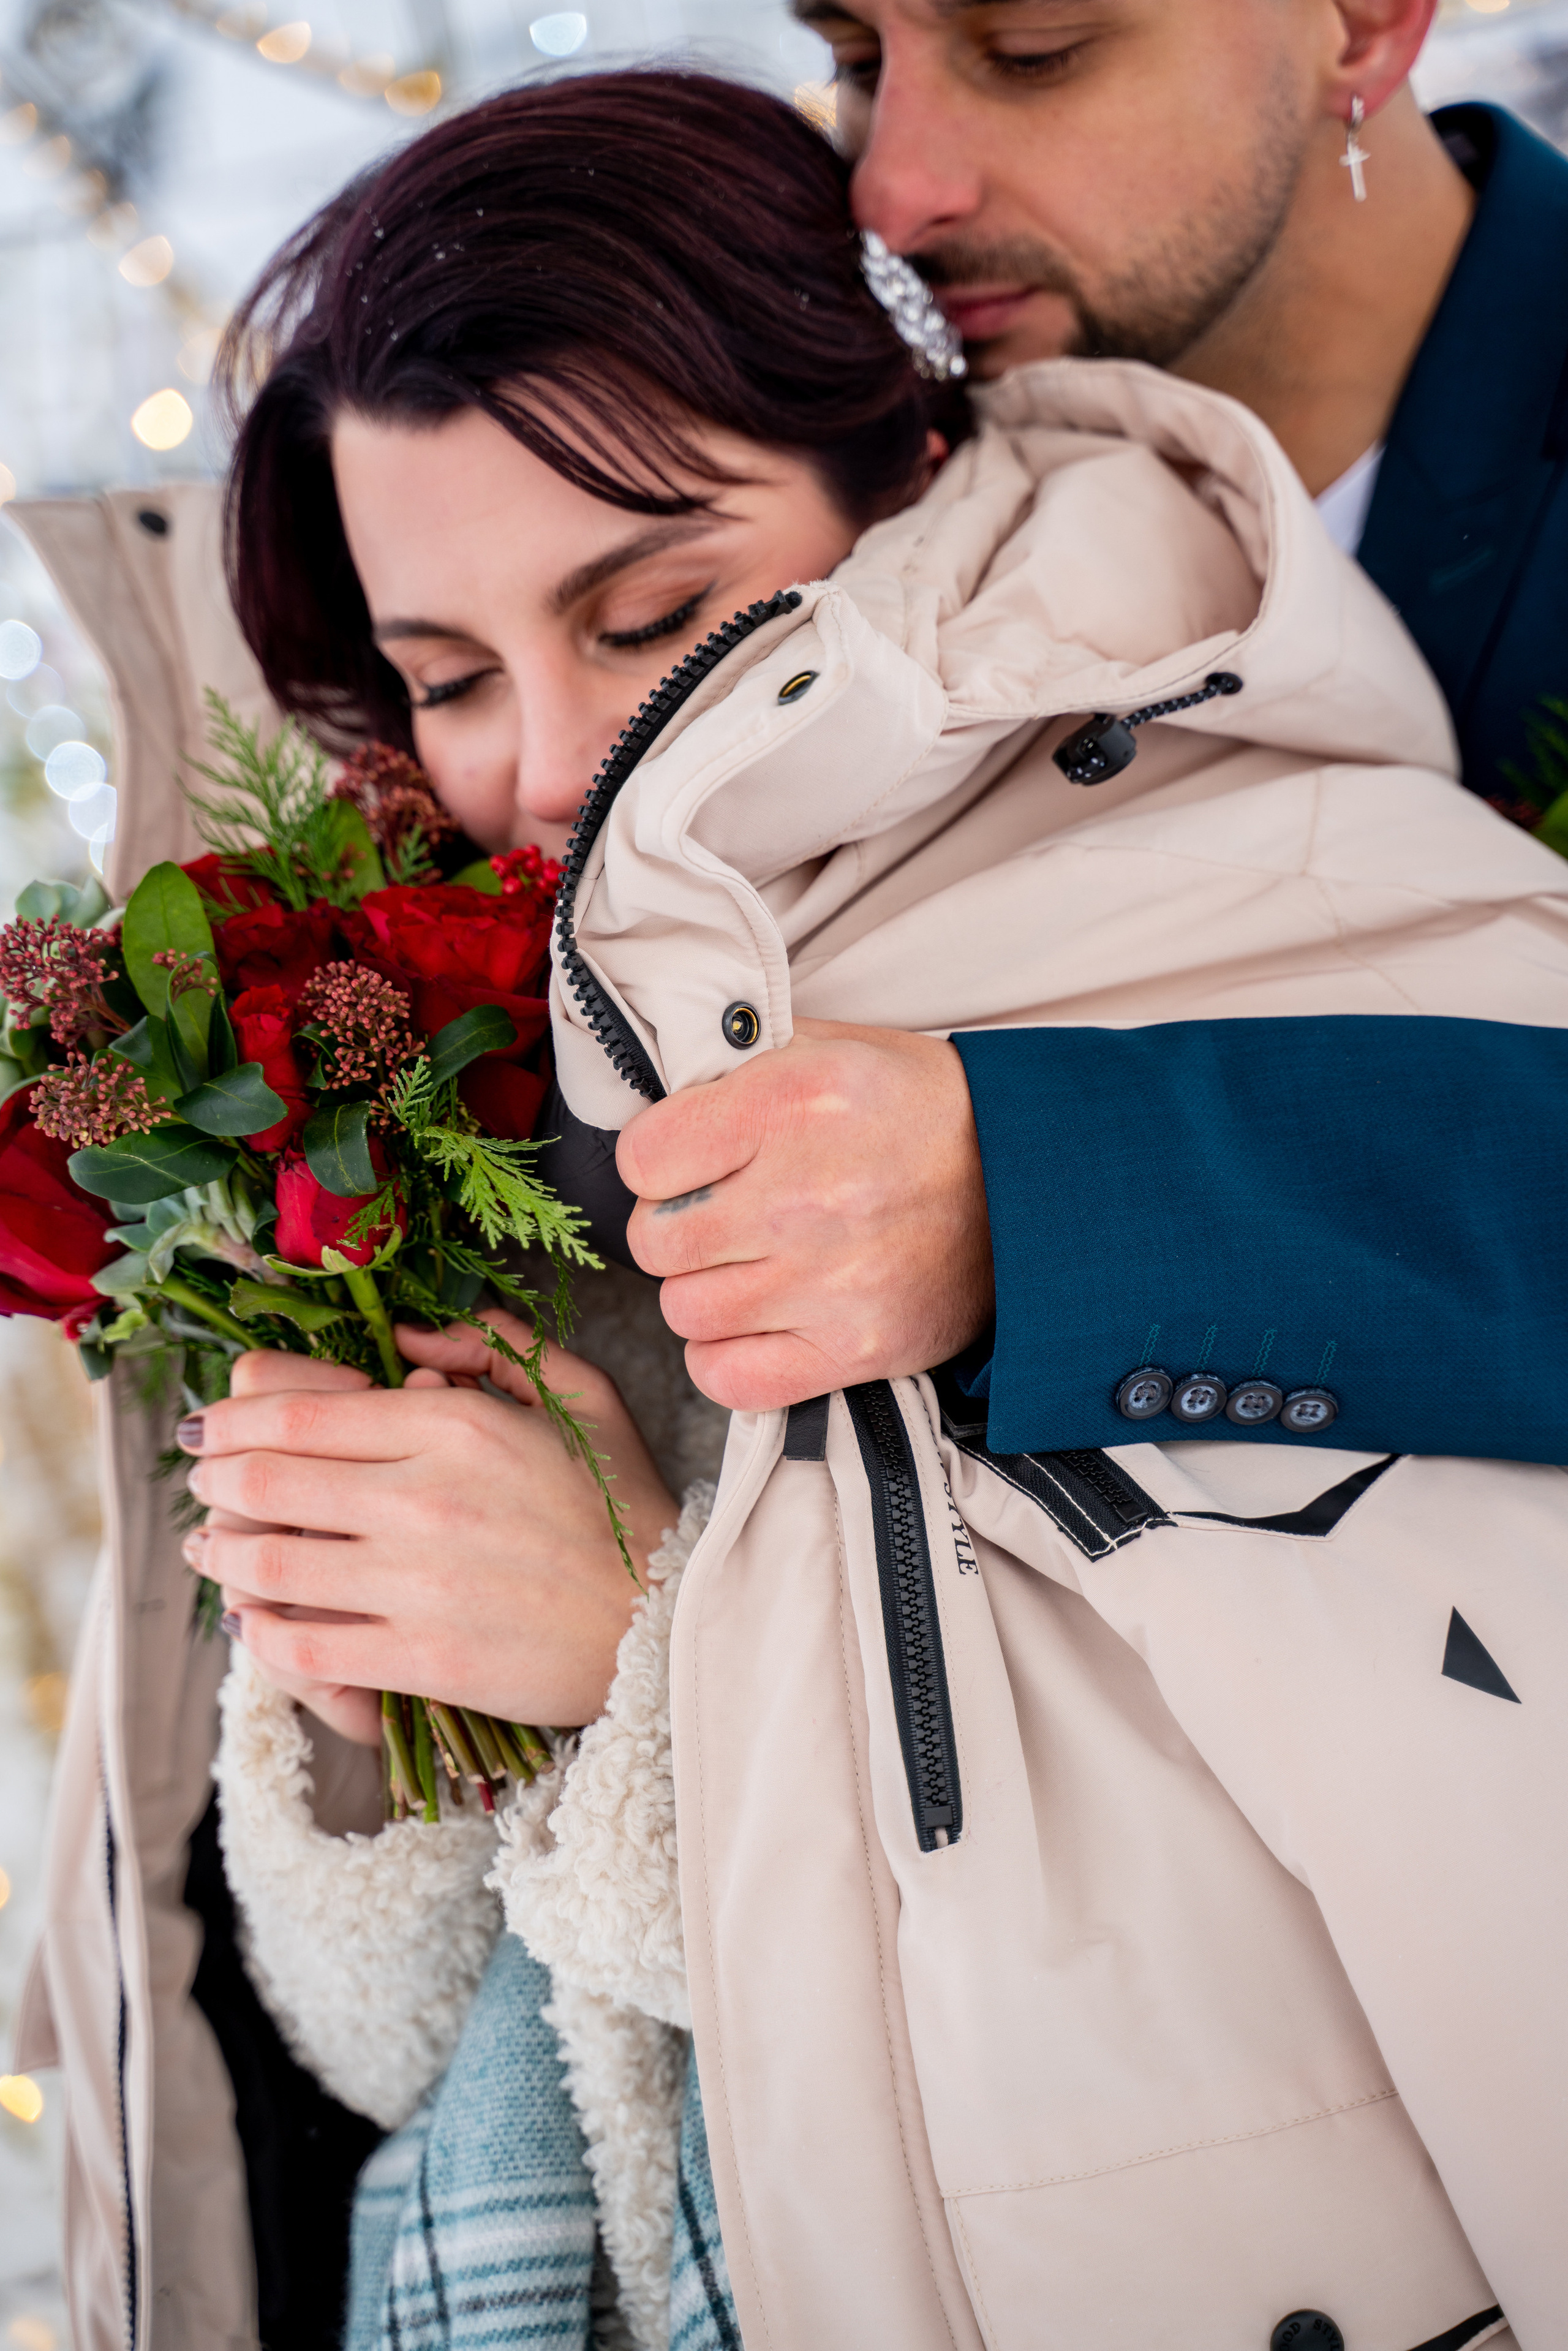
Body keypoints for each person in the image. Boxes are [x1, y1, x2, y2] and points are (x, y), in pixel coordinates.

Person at [183, 61, 1568, 2351]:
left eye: (650, 612)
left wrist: (640, 1660)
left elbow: (1371, 1970)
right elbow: (379, 2039)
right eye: (445, 675)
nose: (534, 765)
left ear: (907, 488)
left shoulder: (1321, 893)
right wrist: (352, 1670)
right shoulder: (454, 1049)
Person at [600, 0, 1568, 1463]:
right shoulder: (842, 495)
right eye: (857, 62)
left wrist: (1036, 1191)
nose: (888, 188)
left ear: (1363, 26)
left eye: (1034, 49)